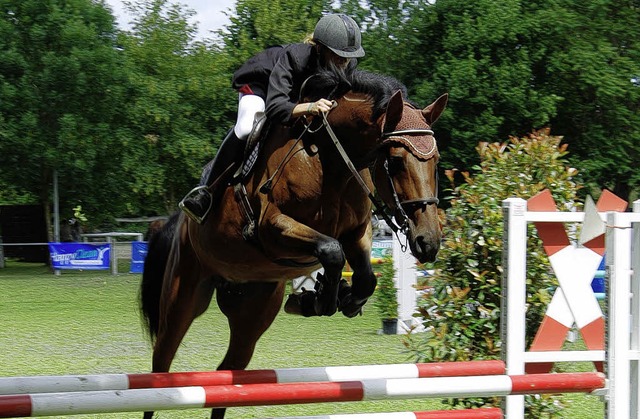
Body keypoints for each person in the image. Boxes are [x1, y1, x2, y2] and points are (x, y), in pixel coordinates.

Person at [179, 13, 365, 224]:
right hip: (262, 85)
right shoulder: (294, 57)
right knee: (247, 126)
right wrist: (311, 106)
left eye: (348, 56)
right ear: (321, 48)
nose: (344, 62)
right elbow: (275, 106)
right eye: (338, 55)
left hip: (293, 94)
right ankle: (207, 192)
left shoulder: (346, 64)